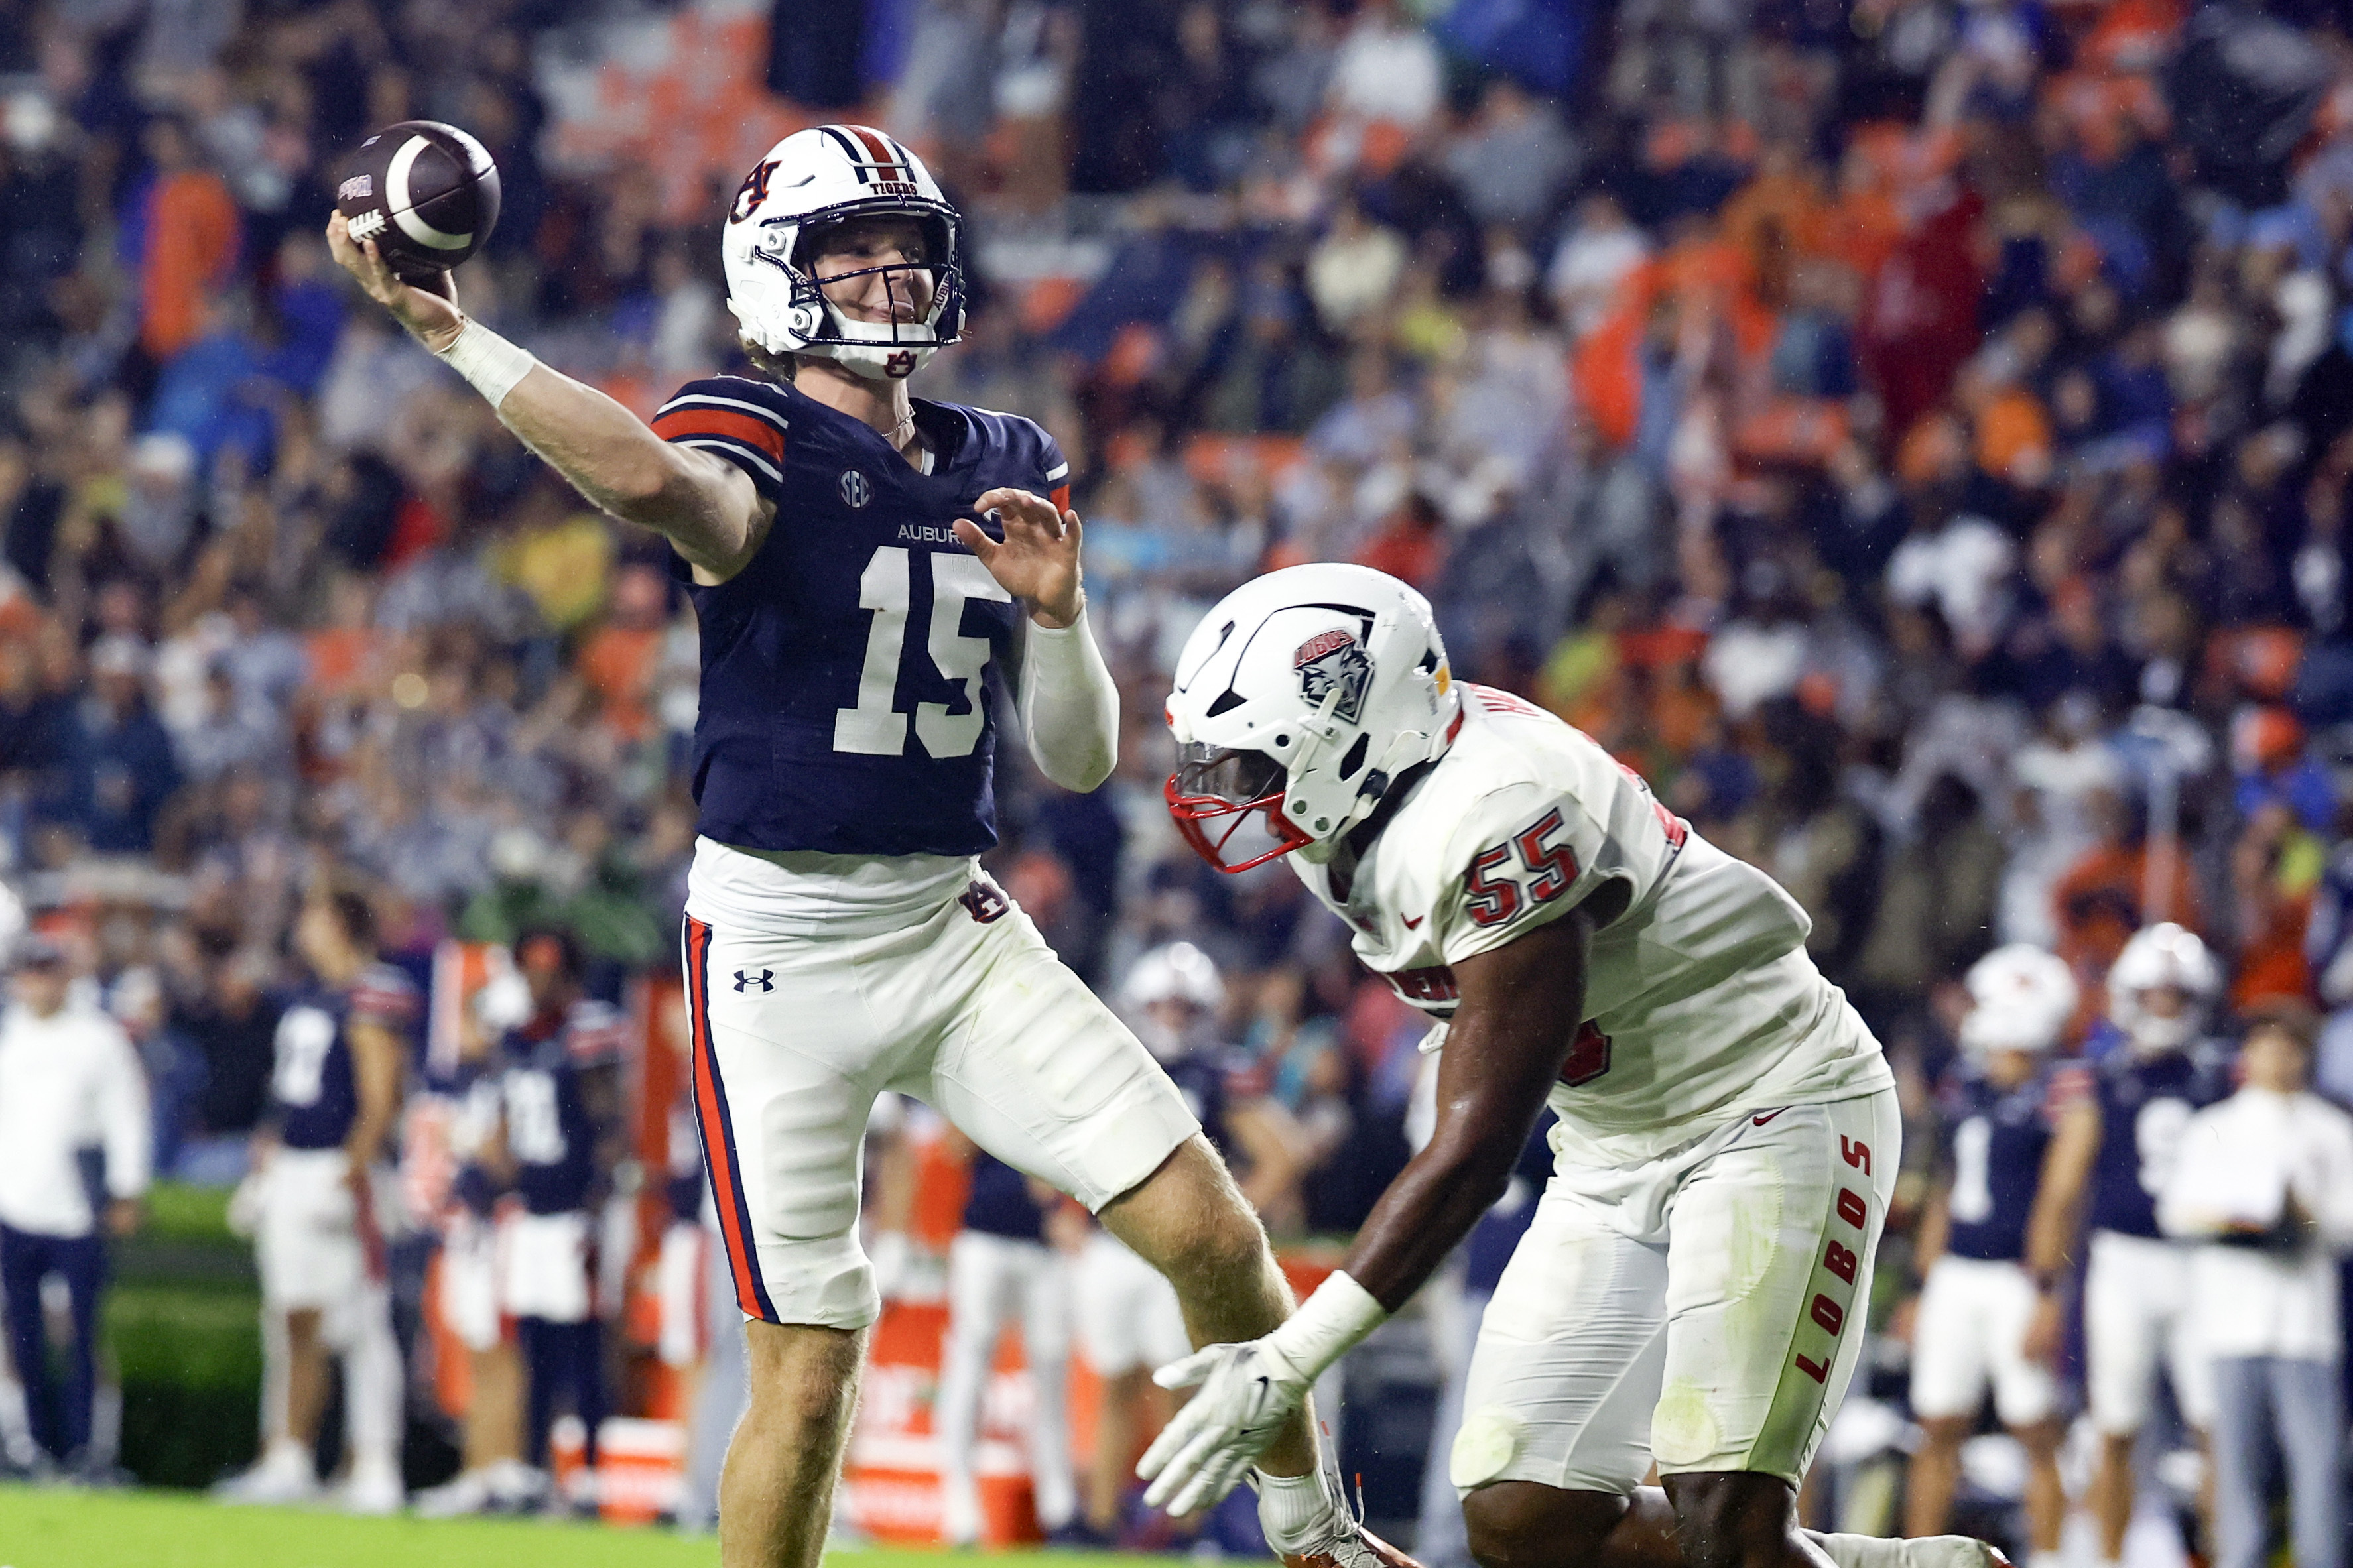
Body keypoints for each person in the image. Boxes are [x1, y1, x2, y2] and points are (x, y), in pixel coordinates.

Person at [326, 125, 1395, 1568]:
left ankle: (1312, 1538)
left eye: (906, 245)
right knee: (813, 1377)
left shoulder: (1005, 456)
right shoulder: (751, 424)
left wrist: (1063, 616)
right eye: (852, 248)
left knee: (1215, 1237)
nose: (891, 272)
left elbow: (1076, 759)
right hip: (776, 952)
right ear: (775, 272)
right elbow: (656, 487)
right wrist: (455, 335)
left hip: (951, 929)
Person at [1146, 563, 1999, 1568]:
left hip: (1769, 1104)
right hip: (1613, 1138)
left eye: (1250, 762)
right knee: (1522, 1515)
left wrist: (1293, 1357)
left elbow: (1478, 1143)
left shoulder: (1501, 808)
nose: (1224, 790)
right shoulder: (1361, 807)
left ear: (1356, 735)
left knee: (1722, 1512)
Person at [2024, 922, 2233, 1568]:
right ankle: (2109, 1559)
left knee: (2215, 1428)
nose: (2165, 1008)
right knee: (2113, 1426)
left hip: (2202, 1262)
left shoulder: (2221, 1078)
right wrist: (2044, 1290)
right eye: (2156, 995)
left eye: (2176, 996)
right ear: (2130, 997)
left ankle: (2226, 1551)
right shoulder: (2100, 1081)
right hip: (2124, 1262)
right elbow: (2061, 1190)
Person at [214, 889, 412, 1513]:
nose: (303, 926)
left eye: (315, 916)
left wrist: (351, 1168)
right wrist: (267, 1166)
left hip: (338, 1168)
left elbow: (381, 1095)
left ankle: (375, 1463)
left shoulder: (369, 990)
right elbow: (292, 1092)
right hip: (295, 1167)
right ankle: (289, 1455)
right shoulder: (308, 994)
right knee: (290, 1320)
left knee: (361, 1323)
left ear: (341, 926)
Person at [1903, 945, 2078, 1568]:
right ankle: (1922, 1557)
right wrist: (1920, 1289)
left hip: (2014, 1277)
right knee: (1938, 1424)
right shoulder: (1962, 1092)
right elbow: (1944, 1195)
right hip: (1955, 1274)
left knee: (2035, 1428)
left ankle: (2054, 1557)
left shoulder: (2057, 1099)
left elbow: (2061, 1204)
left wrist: (2049, 1294)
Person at [2159, 1006, 2353, 1568]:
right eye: (2264, 1044)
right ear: (2246, 1054)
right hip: (2230, 1318)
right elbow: (2177, 1212)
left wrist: (2300, 1214)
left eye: (2288, 1045)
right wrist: (2235, 1215)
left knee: (2317, 1464)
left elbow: (2345, 1222)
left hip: (2304, 1324)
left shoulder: (2330, 1129)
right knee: (2235, 1463)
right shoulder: (2213, 1125)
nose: (2276, 1056)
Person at [485, 929, 626, 1514]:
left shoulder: (588, 1031)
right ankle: (532, 1467)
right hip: (531, 1209)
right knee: (535, 1343)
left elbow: (607, 1120)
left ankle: (589, 1473)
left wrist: (596, 1199)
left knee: (583, 1345)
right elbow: (505, 1120)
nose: (537, 979)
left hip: (574, 1212)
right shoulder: (517, 1037)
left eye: (548, 968)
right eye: (530, 968)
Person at [0, 934, 149, 1477]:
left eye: (45, 971)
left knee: (82, 1334)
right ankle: (30, 1443)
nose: (35, 982)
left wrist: (127, 1187)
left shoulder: (97, 1038)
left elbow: (125, 1113)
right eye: (27, 971)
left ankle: (91, 1448)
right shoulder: (9, 1035)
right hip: (14, 1201)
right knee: (21, 1334)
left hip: (76, 1207)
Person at [934, 1139, 1079, 1546]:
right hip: (984, 1233)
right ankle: (958, 1505)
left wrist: (1059, 1201)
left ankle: (1059, 1510)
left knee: (1051, 1368)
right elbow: (955, 1149)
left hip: (1045, 1243)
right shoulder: (984, 1079)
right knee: (970, 1362)